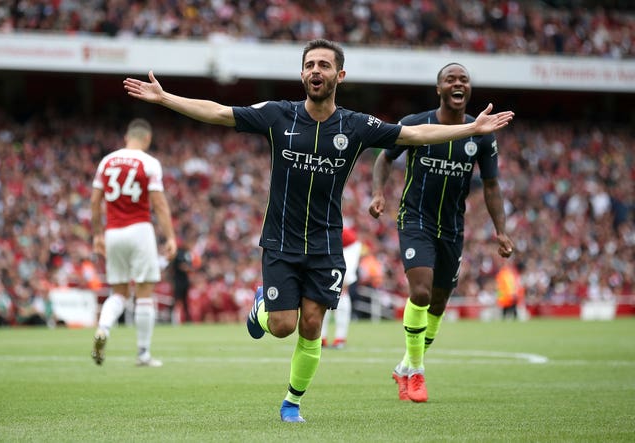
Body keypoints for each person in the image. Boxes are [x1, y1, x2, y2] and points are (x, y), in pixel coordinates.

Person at [123, 39, 513, 422]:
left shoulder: (356, 125)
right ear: (301, 74)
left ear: (339, 75)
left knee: (311, 325)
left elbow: (413, 135)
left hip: (327, 244)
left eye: (324, 65)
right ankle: (263, 308)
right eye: (310, 65)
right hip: (280, 241)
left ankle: (292, 403)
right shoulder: (279, 115)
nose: (316, 71)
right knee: (281, 327)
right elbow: (220, 112)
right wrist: (167, 99)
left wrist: (469, 130)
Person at [369, 62, 515, 403]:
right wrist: (379, 192)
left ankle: (405, 365)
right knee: (419, 292)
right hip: (415, 219)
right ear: (439, 88)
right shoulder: (416, 124)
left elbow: (492, 185)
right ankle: (417, 372)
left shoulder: (481, 133)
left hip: (452, 228)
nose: (457, 83)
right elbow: (384, 158)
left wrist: (502, 231)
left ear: (469, 89)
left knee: (437, 305)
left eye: (463, 79)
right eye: (450, 79)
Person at [90, 118, 177, 367]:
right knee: (144, 291)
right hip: (139, 230)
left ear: (126, 137)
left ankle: (103, 329)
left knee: (118, 292)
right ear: (146, 139)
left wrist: (97, 234)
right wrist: (170, 236)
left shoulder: (107, 161)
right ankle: (143, 354)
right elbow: (159, 203)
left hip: (113, 232)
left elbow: (95, 201)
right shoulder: (149, 163)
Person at [321, 226, 362, 349]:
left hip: (348, 247)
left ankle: (340, 338)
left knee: (342, 288)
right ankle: (321, 337)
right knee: (324, 291)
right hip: (332, 249)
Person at [170, 238, 194, 324]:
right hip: (178, 280)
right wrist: (188, 269)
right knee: (176, 300)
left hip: (184, 281)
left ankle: (187, 319)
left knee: (185, 301)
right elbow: (181, 266)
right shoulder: (179, 253)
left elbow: (189, 266)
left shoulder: (187, 254)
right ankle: (172, 319)